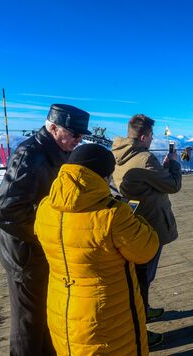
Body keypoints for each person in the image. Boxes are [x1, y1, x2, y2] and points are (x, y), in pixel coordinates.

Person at [34, 144, 159, 355]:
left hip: (62, 306)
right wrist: (135, 219)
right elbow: (146, 249)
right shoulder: (112, 214)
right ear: (102, 176)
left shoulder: (46, 206)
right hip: (105, 314)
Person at [0, 104, 91, 355]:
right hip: (26, 256)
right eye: (74, 134)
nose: (78, 140)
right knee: (28, 324)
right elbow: (3, 209)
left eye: (82, 135)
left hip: (43, 253)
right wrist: (42, 234)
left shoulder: (56, 149)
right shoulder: (31, 154)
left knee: (46, 316)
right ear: (53, 127)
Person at [111, 114, 182, 347]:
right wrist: (174, 163)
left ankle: (144, 310)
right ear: (143, 136)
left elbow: (145, 181)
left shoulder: (118, 153)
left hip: (133, 221)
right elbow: (173, 186)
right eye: (151, 135)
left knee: (138, 275)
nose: (152, 139)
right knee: (143, 277)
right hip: (150, 225)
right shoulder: (145, 159)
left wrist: (158, 172)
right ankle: (138, 330)